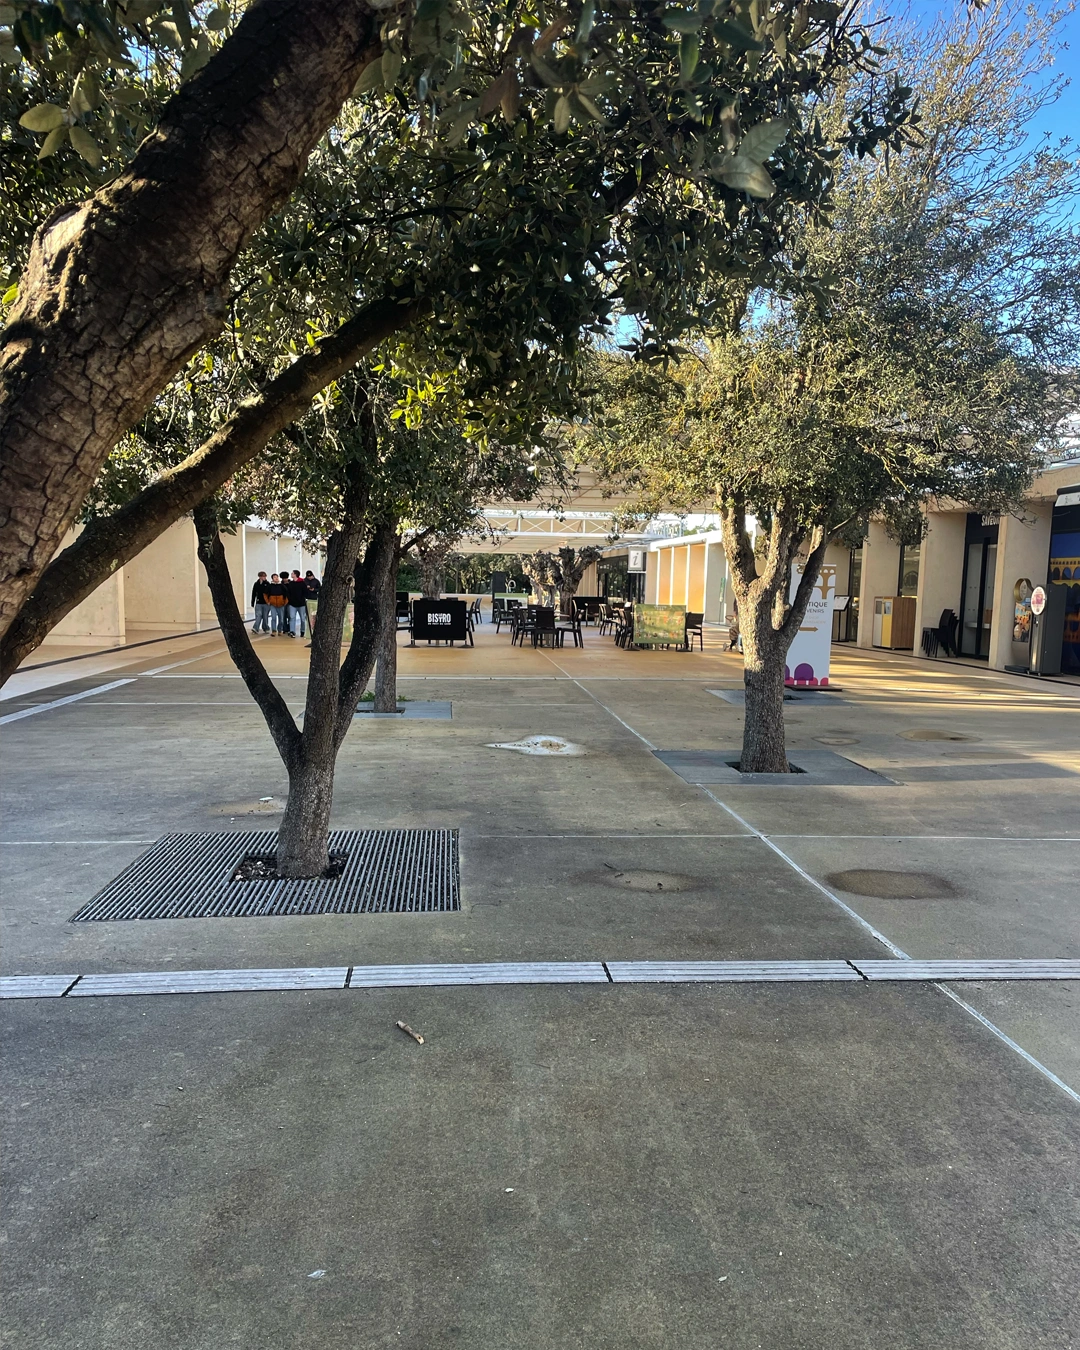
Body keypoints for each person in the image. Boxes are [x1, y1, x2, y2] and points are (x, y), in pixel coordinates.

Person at [285, 569, 309, 638]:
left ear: (295, 575)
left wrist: (303, 599)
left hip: (301, 604)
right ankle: (292, 631)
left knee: (302, 618)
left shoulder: (302, 583)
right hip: (292, 604)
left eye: (292, 573)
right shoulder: (291, 583)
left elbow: (305, 592)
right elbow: (288, 592)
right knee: (292, 617)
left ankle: (302, 630)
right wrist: (290, 599)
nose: (291, 574)